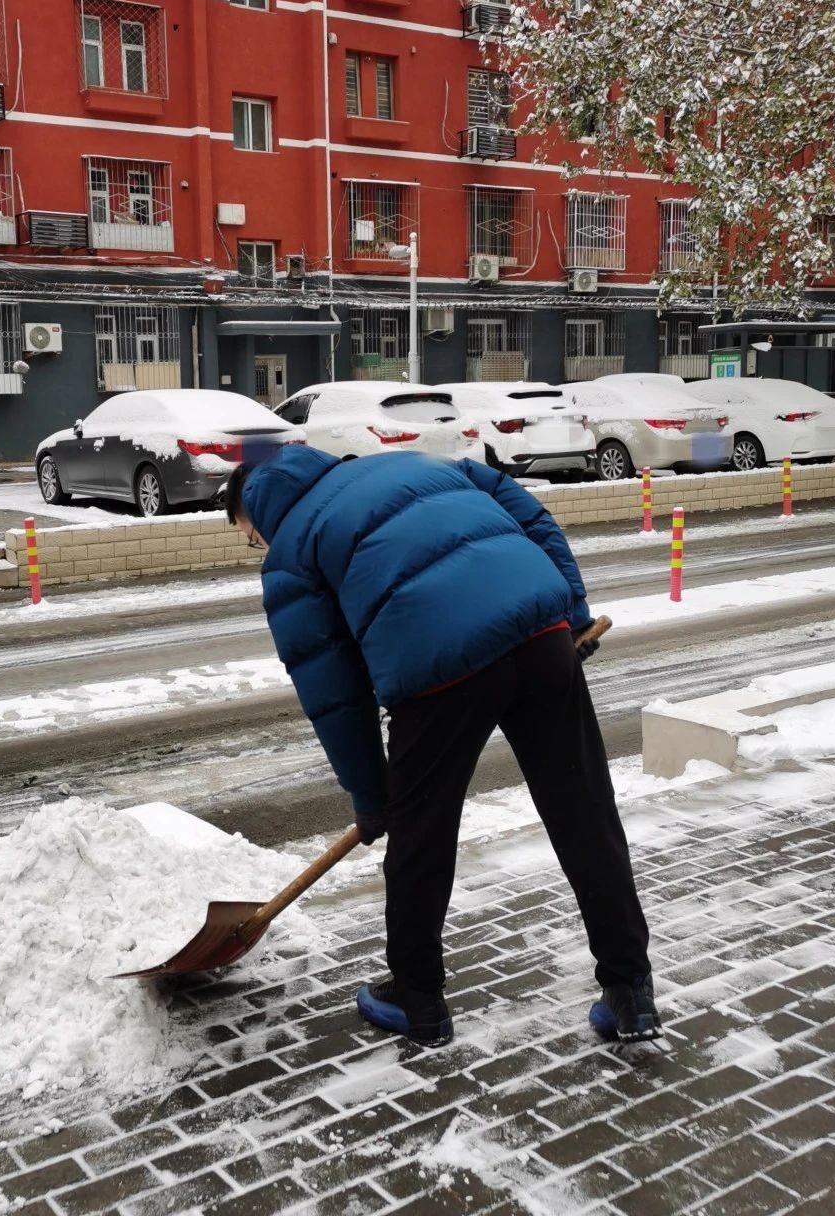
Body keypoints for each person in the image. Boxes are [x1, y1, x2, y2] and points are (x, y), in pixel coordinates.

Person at [226, 444, 658, 1048]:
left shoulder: (292, 551)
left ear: (254, 507)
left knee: (420, 838)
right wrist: (571, 613)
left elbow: (333, 691)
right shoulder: (418, 463)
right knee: (583, 811)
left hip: (439, 675)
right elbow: (529, 514)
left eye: (251, 538)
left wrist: (376, 798)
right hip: (540, 636)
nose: (260, 548)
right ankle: (630, 991)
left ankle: (418, 999)